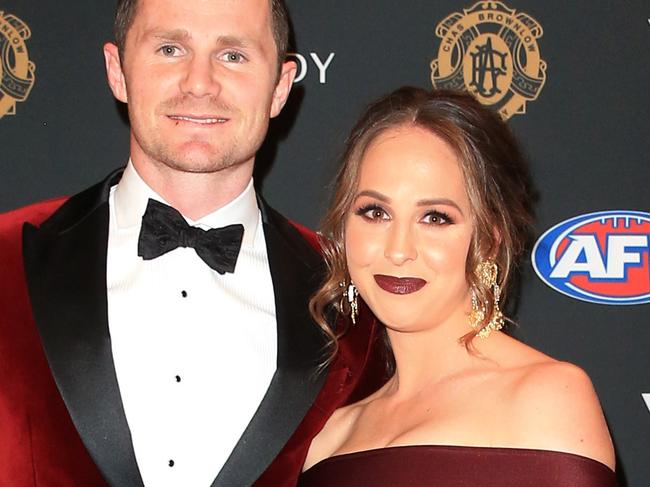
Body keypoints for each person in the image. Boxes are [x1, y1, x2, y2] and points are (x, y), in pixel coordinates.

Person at [0, 1, 381, 486]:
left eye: (233, 55)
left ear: (281, 87)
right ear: (117, 71)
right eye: (170, 48)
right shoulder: (7, 257)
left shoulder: (350, 302)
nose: (199, 82)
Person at [299, 87, 617, 486]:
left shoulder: (546, 398)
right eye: (375, 212)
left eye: (435, 218)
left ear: (488, 240)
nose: (398, 251)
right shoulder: (329, 440)